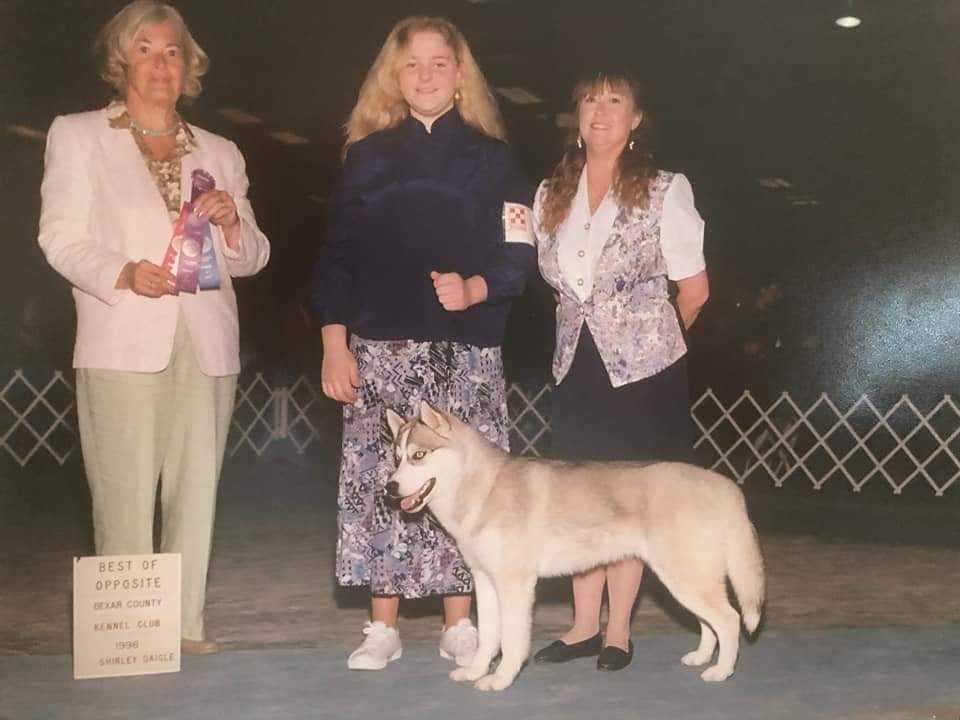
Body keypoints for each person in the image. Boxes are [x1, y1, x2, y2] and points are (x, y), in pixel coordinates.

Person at [37, 0, 270, 655]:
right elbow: (58, 236)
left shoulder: (221, 151)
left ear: (189, 65)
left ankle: (184, 625)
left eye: (173, 51)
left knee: (196, 491)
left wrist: (233, 224)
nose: (160, 63)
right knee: (124, 492)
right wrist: (121, 272)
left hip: (208, 342)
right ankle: (128, 636)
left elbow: (253, 257)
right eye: (145, 49)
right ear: (121, 60)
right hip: (123, 335)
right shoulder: (77, 135)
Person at [311, 16, 535, 671]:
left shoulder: (497, 160)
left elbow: (520, 252)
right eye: (412, 64)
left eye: (440, 63)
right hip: (380, 350)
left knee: (468, 490)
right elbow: (337, 257)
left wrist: (476, 287)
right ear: (394, 76)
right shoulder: (366, 157)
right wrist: (333, 341)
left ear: (460, 74)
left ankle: (460, 623)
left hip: (467, 354)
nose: (426, 75)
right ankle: (381, 627)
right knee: (385, 481)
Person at [531, 69, 709, 671]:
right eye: (589, 100)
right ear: (576, 117)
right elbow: (555, 285)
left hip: (643, 374)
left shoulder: (665, 189)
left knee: (629, 503)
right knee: (579, 500)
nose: (600, 111)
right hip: (575, 366)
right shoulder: (549, 193)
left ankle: (618, 632)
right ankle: (583, 626)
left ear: (636, 120)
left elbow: (694, 290)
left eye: (615, 101)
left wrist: (652, 345)